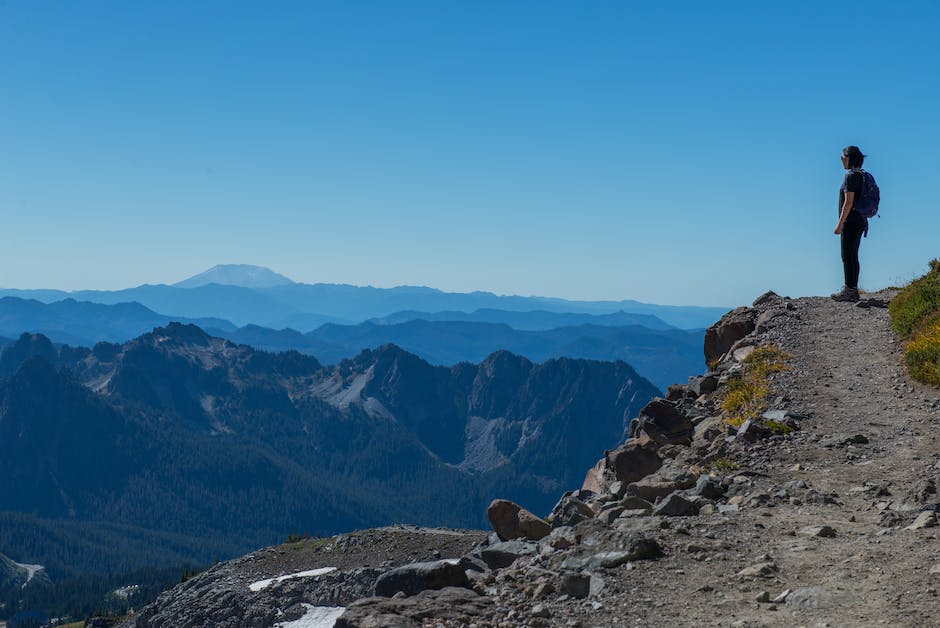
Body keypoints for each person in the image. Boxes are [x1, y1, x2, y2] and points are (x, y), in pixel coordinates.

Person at [832, 145, 869, 302]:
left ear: (848, 159)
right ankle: (852, 289)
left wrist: (840, 223)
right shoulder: (862, 175)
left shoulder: (850, 176)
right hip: (861, 220)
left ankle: (850, 291)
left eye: (843, 157)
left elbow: (848, 202)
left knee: (847, 255)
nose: (841, 160)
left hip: (851, 220)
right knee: (853, 255)